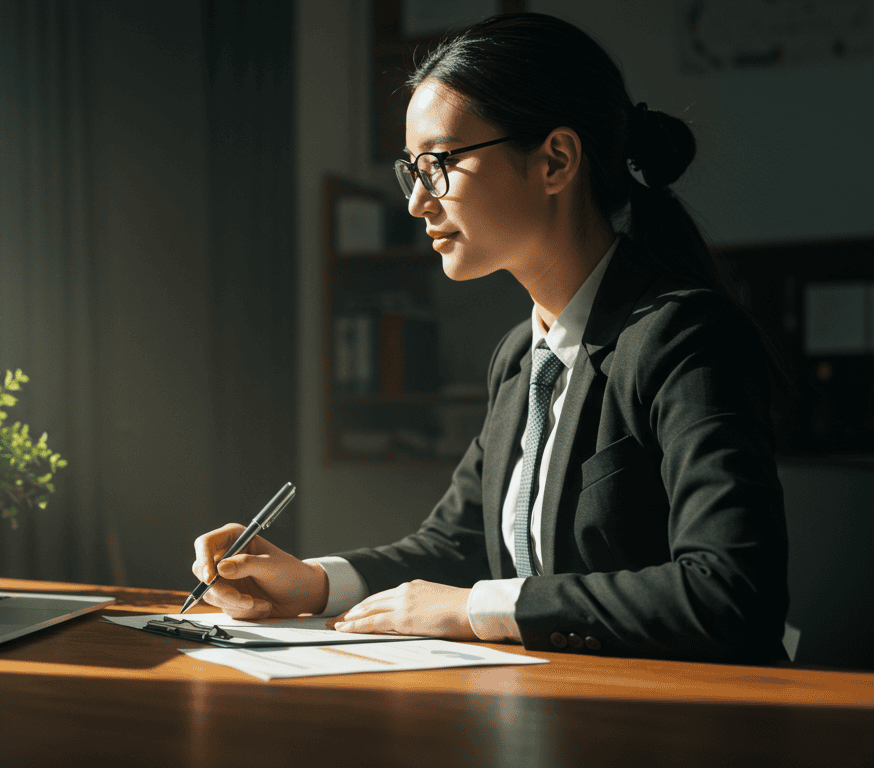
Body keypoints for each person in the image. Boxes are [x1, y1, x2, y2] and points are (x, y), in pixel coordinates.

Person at [190, 12, 788, 663]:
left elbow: (733, 592)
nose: (419, 202)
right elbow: (456, 543)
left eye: (439, 163)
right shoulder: (519, 356)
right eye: (410, 170)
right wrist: (311, 583)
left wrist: (477, 608)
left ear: (556, 160)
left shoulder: (683, 337)